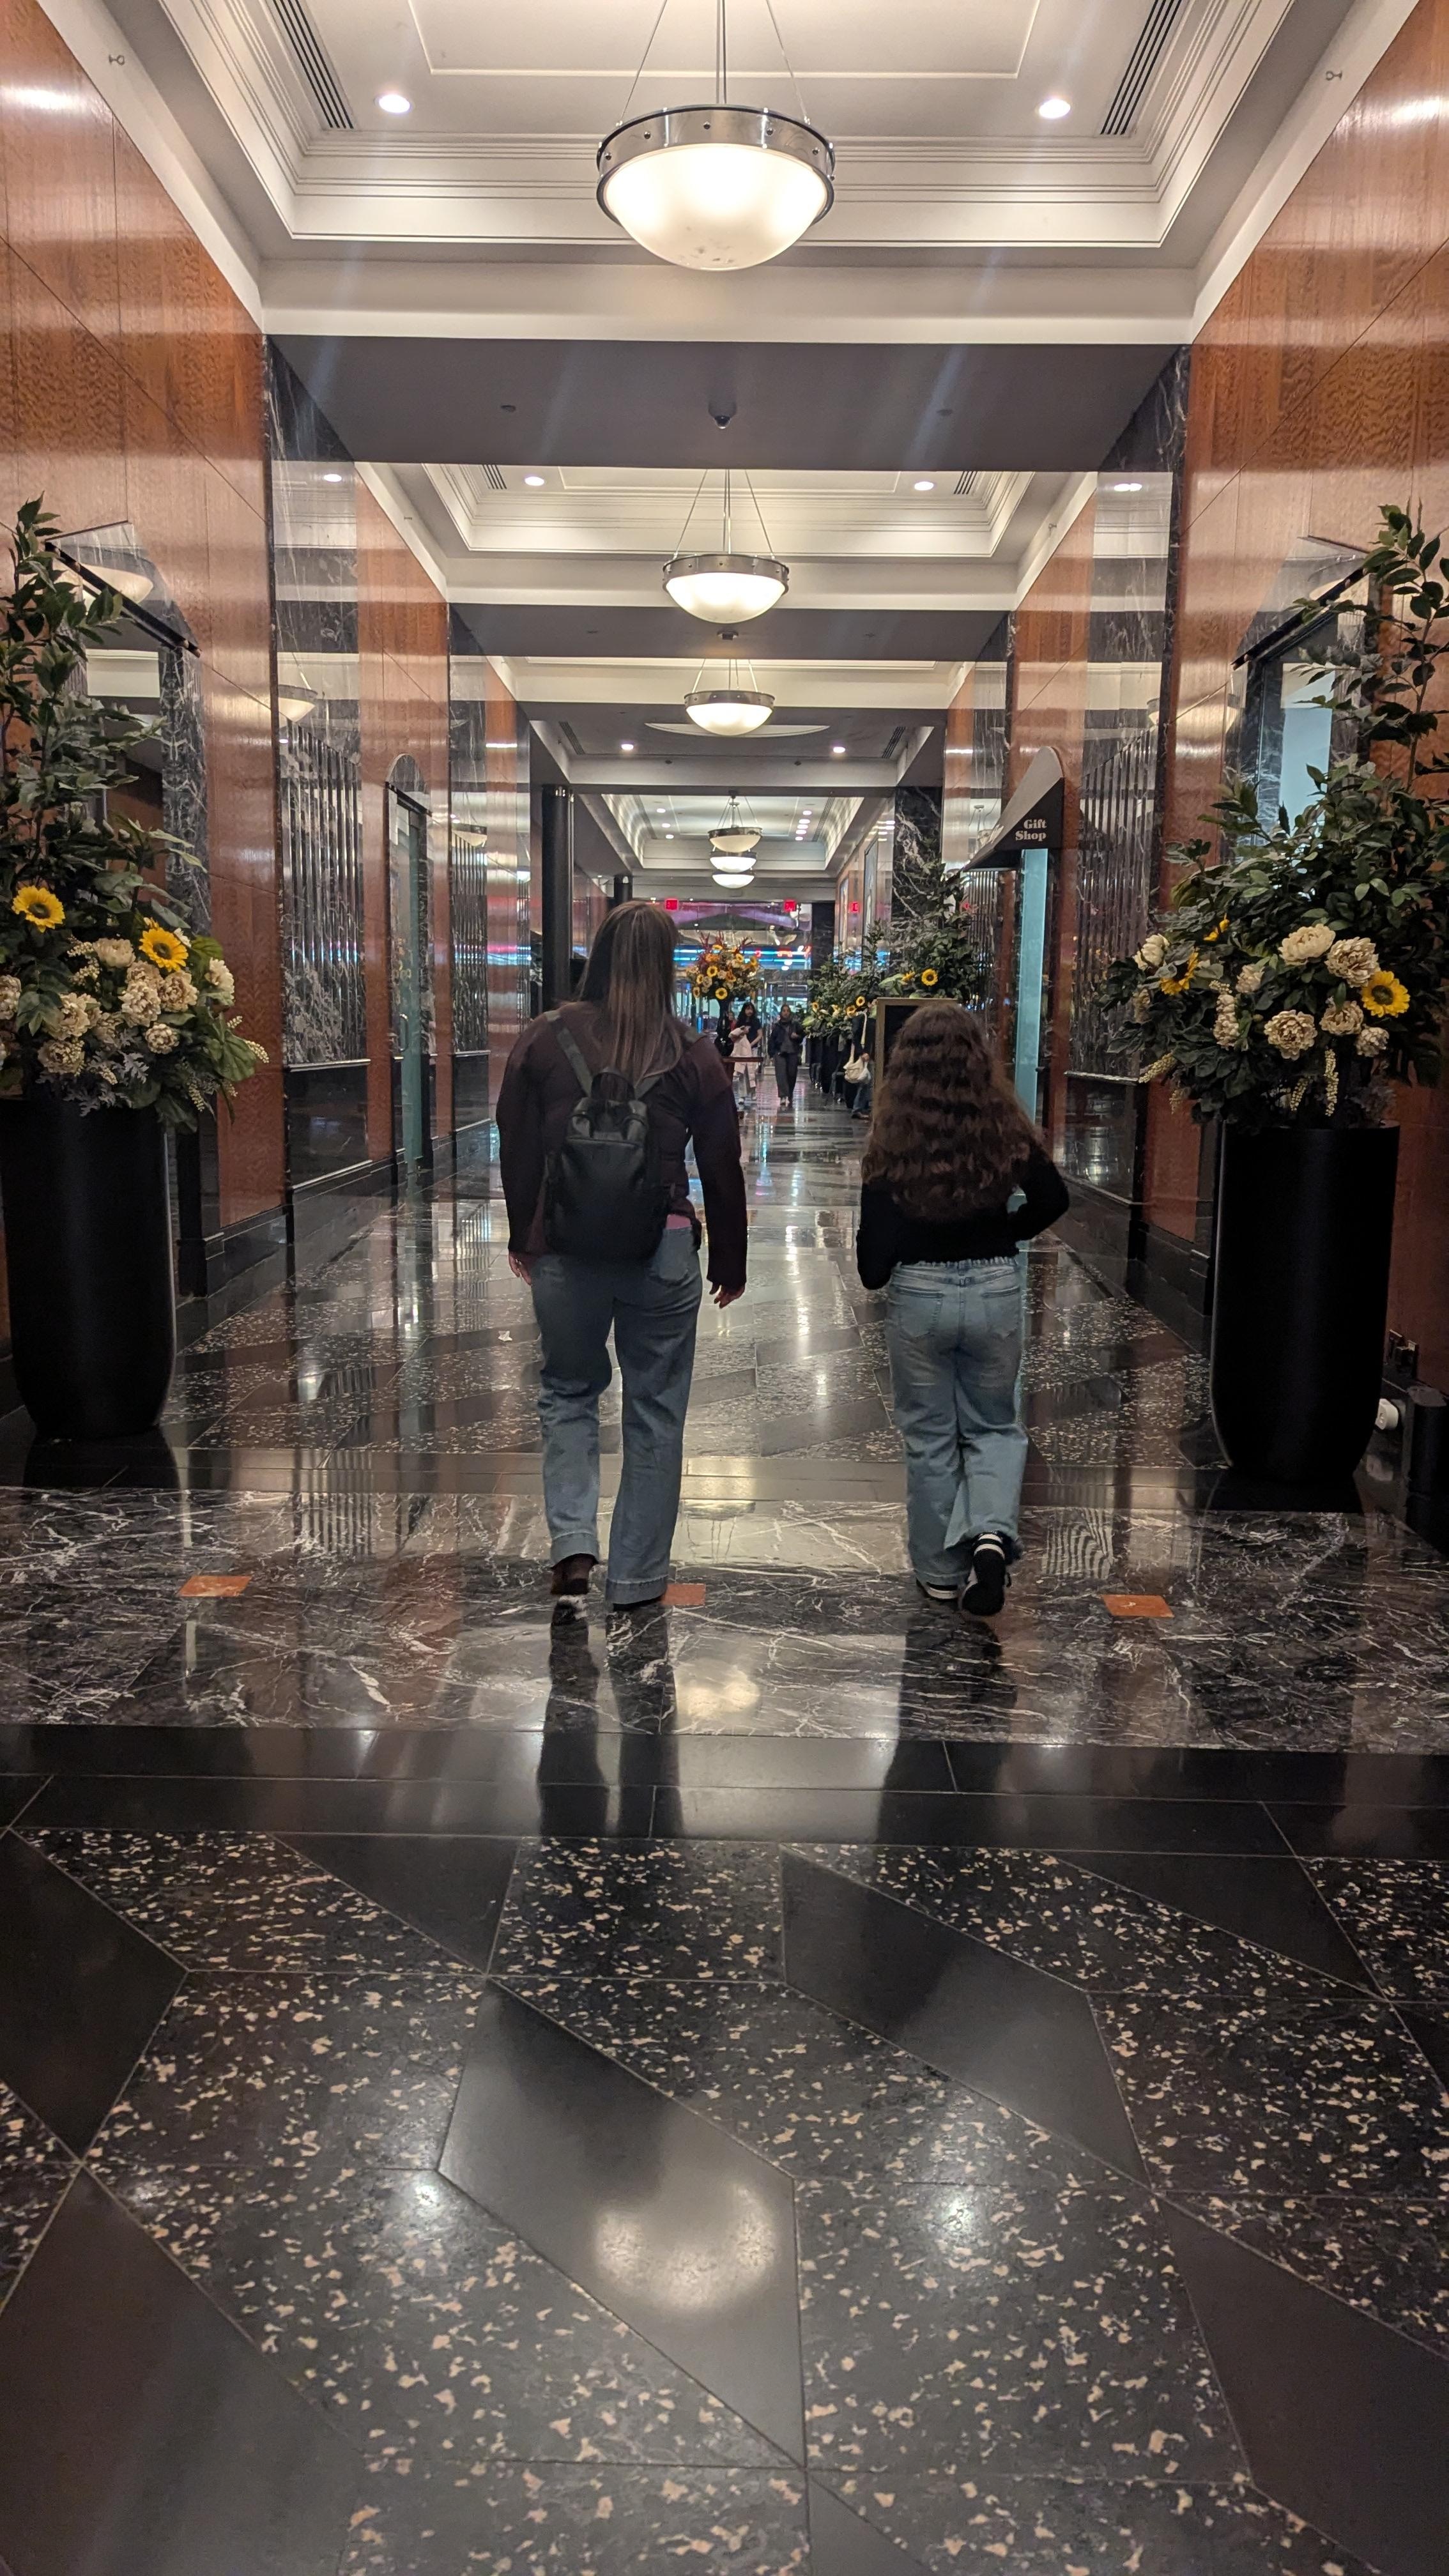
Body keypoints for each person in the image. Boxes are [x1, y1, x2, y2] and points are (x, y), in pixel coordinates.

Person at [497, 900, 747, 1610]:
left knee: (568, 1391)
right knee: (656, 1412)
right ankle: (637, 1579)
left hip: (566, 1248)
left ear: (601, 954)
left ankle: (573, 1545)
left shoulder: (546, 1038)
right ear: (666, 967)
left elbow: (516, 1140)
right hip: (661, 1250)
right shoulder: (690, 1051)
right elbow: (721, 1163)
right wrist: (730, 1260)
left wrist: (524, 1235)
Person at [855, 1002, 1068, 1616]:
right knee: (993, 1425)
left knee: (930, 1437)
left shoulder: (893, 1135)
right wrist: (1004, 1233)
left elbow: (872, 1267)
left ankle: (940, 1573)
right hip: (995, 1288)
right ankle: (992, 1535)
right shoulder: (1003, 1125)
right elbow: (1054, 1198)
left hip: (920, 1295)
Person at [768, 1004, 802, 1105]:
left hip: (792, 1053)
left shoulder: (795, 1025)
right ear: (781, 1013)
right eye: (784, 1011)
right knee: (781, 1075)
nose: (786, 1013)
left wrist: (797, 1037)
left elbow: (802, 1035)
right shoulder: (777, 1026)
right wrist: (772, 1054)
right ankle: (783, 1096)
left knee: (792, 1074)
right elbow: (772, 1040)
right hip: (780, 1053)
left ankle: (790, 1093)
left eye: (787, 1011)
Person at [729, 1011, 762, 1109]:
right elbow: (733, 1036)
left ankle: (753, 1092)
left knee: (752, 1072)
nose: (749, 1011)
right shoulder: (740, 1022)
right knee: (742, 1074)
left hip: (753, 1049)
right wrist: (743, 1032)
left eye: (751, 1009)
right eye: (747, 1009)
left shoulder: (756, 1021)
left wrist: (751, 1045)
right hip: (742, 1050)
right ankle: (742, 1096)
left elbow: (760, 1035)